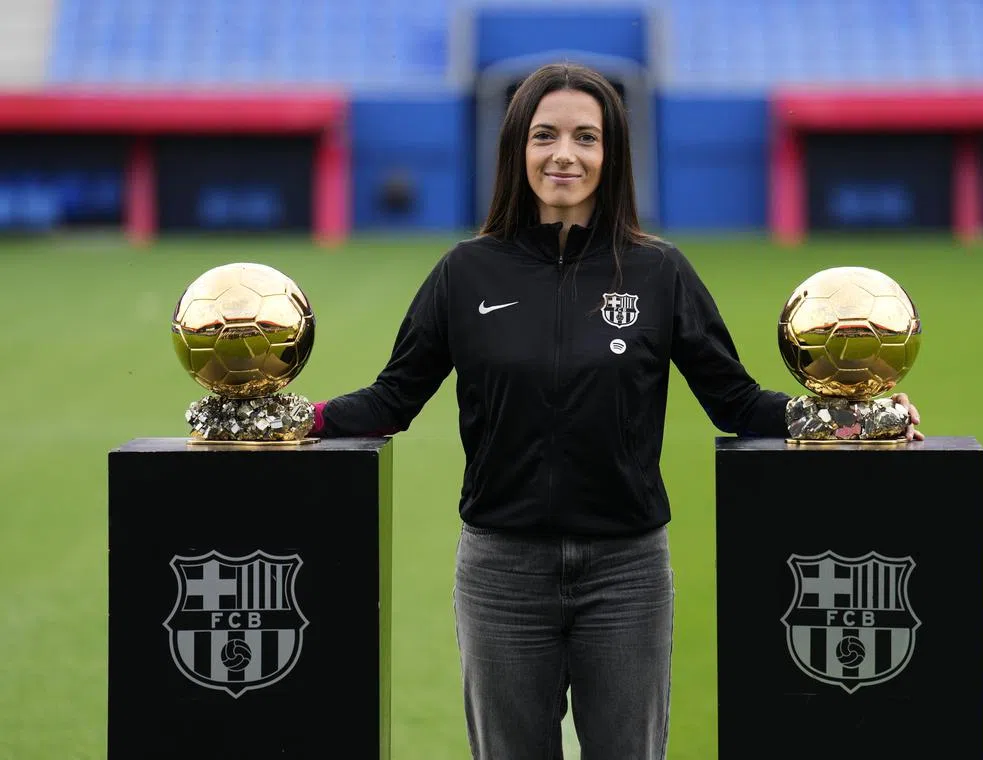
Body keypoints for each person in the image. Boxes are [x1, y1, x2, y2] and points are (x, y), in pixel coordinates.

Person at [310, 62, 922, 759]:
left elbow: (737, 402)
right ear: (517, 149)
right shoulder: (465, 271)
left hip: (626, 571)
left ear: (612, 155)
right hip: (501, 570)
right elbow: (393, 399)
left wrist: (853, 418)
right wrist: (300, 417)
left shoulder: (659, 271)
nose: (564, 155)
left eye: (586, 137)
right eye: (545, 135)